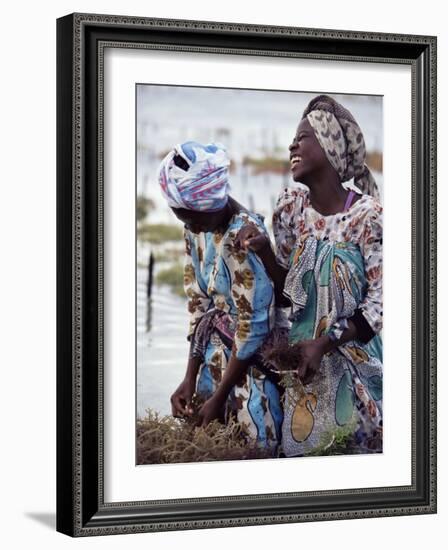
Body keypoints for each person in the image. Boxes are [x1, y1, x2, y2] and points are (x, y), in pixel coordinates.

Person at [237, 95, 383, 456]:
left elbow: (381, 304)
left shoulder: (368, 217)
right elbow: (289, 294)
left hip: (354, 358)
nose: (292, 145)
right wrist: (265, 252)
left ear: (330, 147)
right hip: (305, 363)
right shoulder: (291, 210)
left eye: (303, 137)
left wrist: (326, 342)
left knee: (355, 452)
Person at [157, 140, 283, 453]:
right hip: (215, 356)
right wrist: (189, 377)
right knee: (201, 438)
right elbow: (198, 303)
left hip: (249, 367)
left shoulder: (244, 238)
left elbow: (253, 325)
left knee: (252, 447)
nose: (189, 227)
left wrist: (220, 396)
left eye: (190, 218)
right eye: (182, 219)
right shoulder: (197, 227)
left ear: (209, 207)